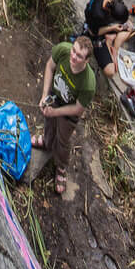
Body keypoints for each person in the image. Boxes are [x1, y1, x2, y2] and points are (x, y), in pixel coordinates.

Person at [32, 32, 96, 195]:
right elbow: (49, 66)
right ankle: (46, 142)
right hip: (54, 96)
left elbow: (77, 109)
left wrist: (56, 112)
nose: (73, 57)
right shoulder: (63, 50)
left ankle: (61, 167)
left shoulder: (88, 83)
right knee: (48, 122)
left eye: (79, 56)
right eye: (74, 51)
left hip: (69, 111)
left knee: (63, 139)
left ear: (87, 60)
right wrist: (45, 95)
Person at [83, 0, 132, 78]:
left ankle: (114, 49)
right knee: (110, 72)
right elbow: (93, 32)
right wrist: (112, 27)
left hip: (104, 25)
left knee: (129, 26)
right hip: (94, 31)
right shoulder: (98, 15)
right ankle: (109, 40)